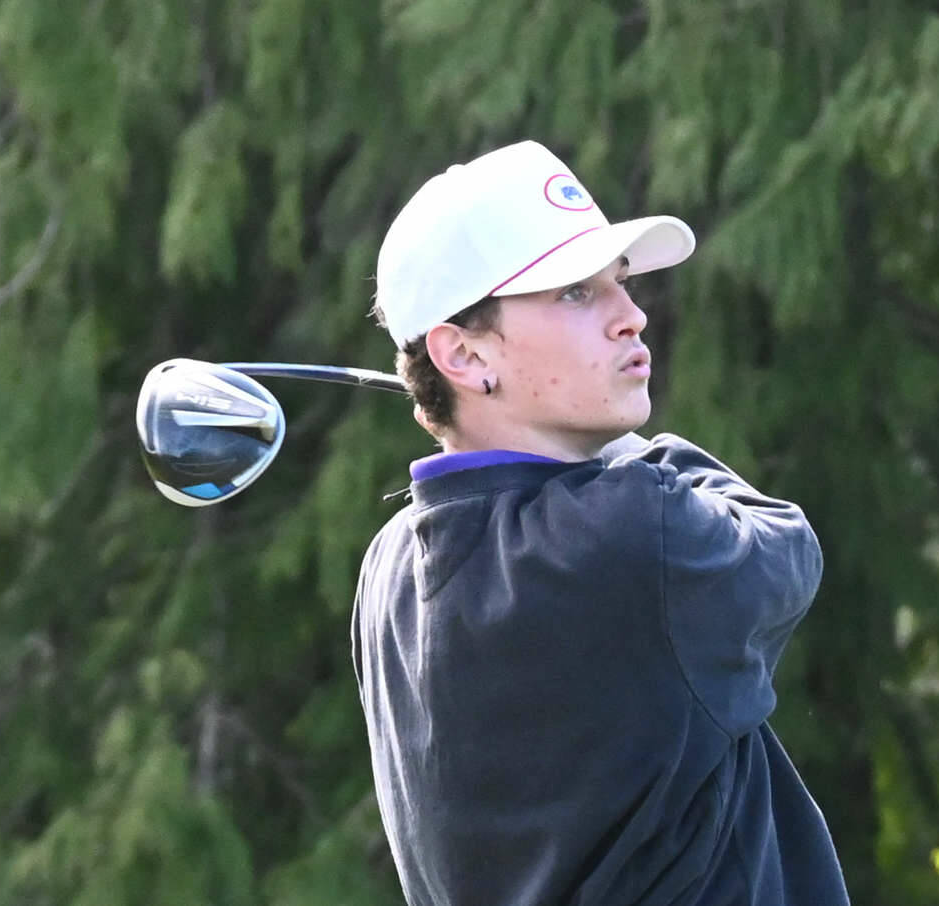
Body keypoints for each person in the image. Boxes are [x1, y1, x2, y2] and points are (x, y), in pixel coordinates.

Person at [352, 140, 849, 906]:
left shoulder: (387, 570)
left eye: (618, 284)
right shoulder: (634, 529)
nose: (633, 318)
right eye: (576, 295)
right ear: (463, 352)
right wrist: (624, 441)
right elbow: (788, 545)